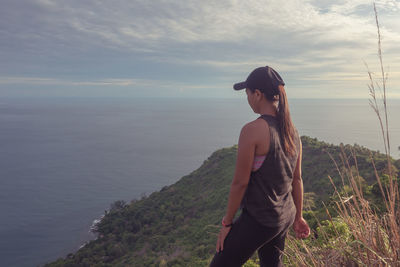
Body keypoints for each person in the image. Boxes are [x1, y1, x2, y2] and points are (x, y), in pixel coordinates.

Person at [209, 66, 310, 267]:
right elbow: (297, 179)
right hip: (284, 215)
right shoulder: (293, 132)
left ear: (257, 94)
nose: (247, 99)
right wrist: (298, 216)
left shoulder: (252, 130)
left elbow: (240, 183)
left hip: (260, 219)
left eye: (247, 93)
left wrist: (227, 223)